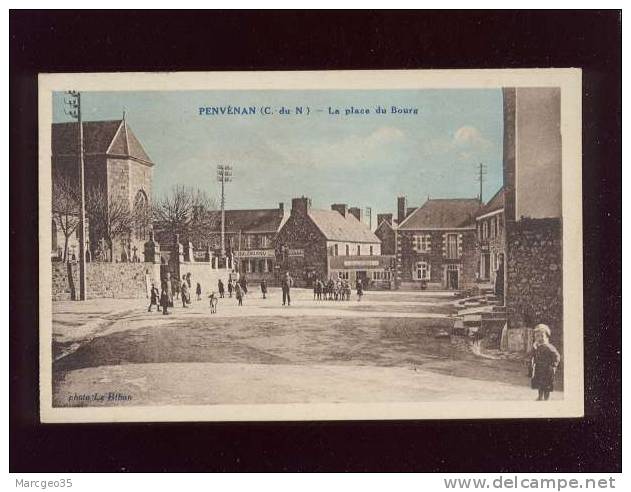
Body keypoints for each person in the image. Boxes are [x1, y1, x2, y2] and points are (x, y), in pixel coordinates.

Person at [528, 324, 561, 401]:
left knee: (547, 384)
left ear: (546, 337)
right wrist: (531, 362)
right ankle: (540, 396)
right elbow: (532, 355)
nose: (540, 338)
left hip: (547, 369)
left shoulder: (549, 347)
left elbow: (557, 356)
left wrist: (553, 365)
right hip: (539, 368)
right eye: (537, 336)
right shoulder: (536, 346)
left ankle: (546, 398)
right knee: (539, 383)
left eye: (542, 336)